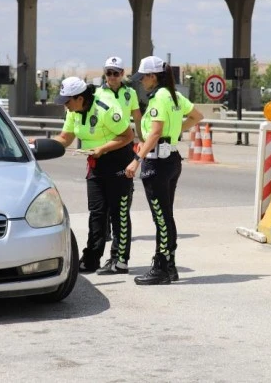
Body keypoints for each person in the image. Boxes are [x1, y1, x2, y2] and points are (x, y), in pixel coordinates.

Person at [125, 56, 203, 285]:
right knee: (166, 216)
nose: (141, 82)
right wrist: (177, 130)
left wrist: (136, 159)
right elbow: (198, 116)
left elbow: (155, 133)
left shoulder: (159, 98)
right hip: (171, 160)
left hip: (156, 163)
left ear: (152, 76)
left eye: (142, 78)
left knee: (161, 218)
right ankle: (169, 266)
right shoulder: (174, 95)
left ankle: (162, 268)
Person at [53, 76, 135, 274]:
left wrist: (102, 149)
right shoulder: (73, 112)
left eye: (67, 101)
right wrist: (37, 145)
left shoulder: (105, 108)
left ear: (80, 98)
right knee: (97, 212)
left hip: (118, 161)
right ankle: (91, 258)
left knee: (118, 213)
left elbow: (128, 136)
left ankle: (119, 260)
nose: (65, 105)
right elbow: (65, 138)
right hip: (95, 163)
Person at [98, 56, 143, 245]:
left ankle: (118, 225)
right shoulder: (98, 94)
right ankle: (106, 228)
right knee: (104, 191)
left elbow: (137, 116)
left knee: (125, 188)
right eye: (109, 73)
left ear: (122, 74)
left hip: (125, 144)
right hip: (105, 146)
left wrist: (141, 137)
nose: (112, 77)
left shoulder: (130, 93)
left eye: (116, 73)